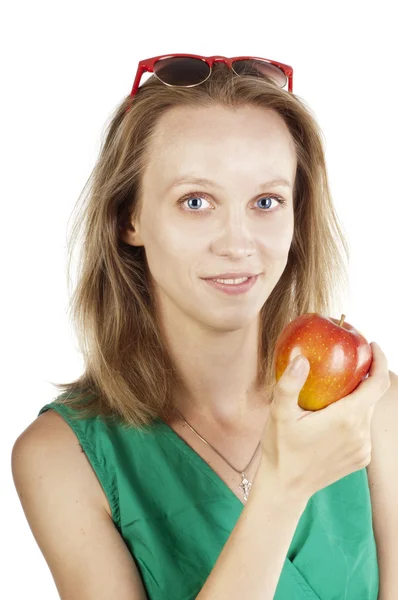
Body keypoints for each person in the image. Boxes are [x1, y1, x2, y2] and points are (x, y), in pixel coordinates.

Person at [11, 54, 391, 600]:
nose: (238, 242)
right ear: (129, 218)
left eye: (266, 201)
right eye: (196, 201)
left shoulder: (371, 409)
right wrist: (282, 490)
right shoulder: (61, 457)